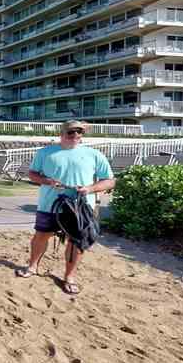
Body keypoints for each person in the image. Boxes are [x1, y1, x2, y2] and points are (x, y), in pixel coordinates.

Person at [18, 120, 115, 295]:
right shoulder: (45, 153)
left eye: (79, 133)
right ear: (62, 134)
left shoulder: (94, 154)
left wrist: (90, 188)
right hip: (50, 205)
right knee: (41, 236)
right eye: (71, 133)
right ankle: (32, 267)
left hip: (81, 207)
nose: (75, 136)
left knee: (77, 242)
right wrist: (47, 181)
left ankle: (69, 277)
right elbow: (32, 174)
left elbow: (109, 180)